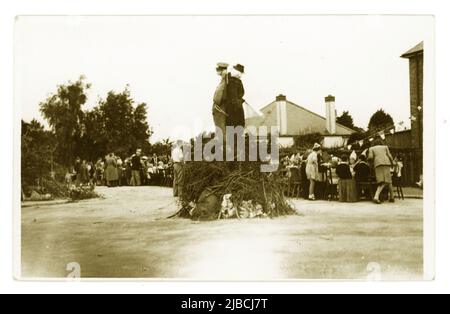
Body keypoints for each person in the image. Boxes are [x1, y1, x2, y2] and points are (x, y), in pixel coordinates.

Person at [367, 138, 395, 204]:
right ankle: (391, 197)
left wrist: (368, 159)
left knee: (382, 181)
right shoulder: (385, 147)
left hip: (378, 164)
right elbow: (390, 156)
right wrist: (392, 163)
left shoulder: (371, 148)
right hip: (386, 163)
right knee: (388, 180)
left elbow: (370, 157)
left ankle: (377, 196)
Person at [212, 62, 229, 137]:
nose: (218, 71)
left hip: (220, 109)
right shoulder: (223, 80)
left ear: (223, 71)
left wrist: (216, 102)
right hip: (219, 108)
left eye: (219, 69)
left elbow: (219, 96)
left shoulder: (225, 79)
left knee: (221, 130)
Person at [226, 64, 246, 128]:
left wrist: (240, 99)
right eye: (240, 73)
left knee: (237, 124)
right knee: (235, 124)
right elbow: (236, 94)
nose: (240, 75)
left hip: (235, 106)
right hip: (234, 108)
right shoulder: (230, 80)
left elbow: (241, 93)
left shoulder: (236, 81)